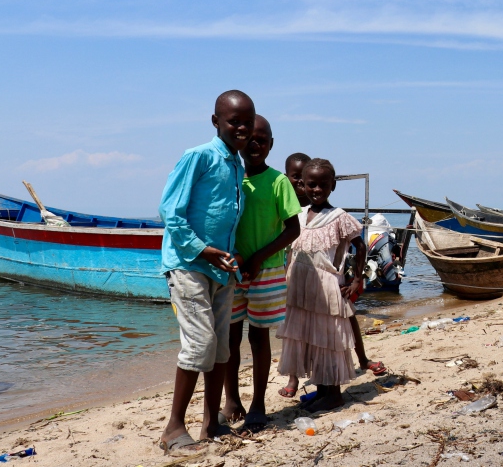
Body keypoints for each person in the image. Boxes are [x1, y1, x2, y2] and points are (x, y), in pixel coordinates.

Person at [157, 90, 255, 454]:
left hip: (221, 269)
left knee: (222, 350)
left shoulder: (237, 164)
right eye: (234, 121)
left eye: (247, 121)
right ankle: (172, 429)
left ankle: (211, 423)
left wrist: (227, 256)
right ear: (216, 122)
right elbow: (171, 211)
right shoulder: (198, 156)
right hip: (189, 264)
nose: (242, 128)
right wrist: (204, 250)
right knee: (199, 346)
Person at [217, 116, 302, 432]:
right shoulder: (231, 178)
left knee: (258, 336)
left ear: (271, 144)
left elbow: (292, 228)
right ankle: (232, 402)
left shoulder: (278, 182)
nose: (255, 144)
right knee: (230, 336)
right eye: (249, 138)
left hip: (266, 270)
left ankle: (258, 403)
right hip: (234, 269)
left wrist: (258, 258)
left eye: (262, 139)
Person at [280, 154, 386, 399]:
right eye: (311, 184)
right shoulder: (299, 214)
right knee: (306, 336)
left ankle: (332, 395)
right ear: (302, 185)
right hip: (299, 285)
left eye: (323, 185)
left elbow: (360, 246)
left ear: (332, 185)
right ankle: (321, 392)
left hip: (327, 285)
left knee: (327, 339)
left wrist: (357, 278)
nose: (316, 190)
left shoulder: (339, 216)